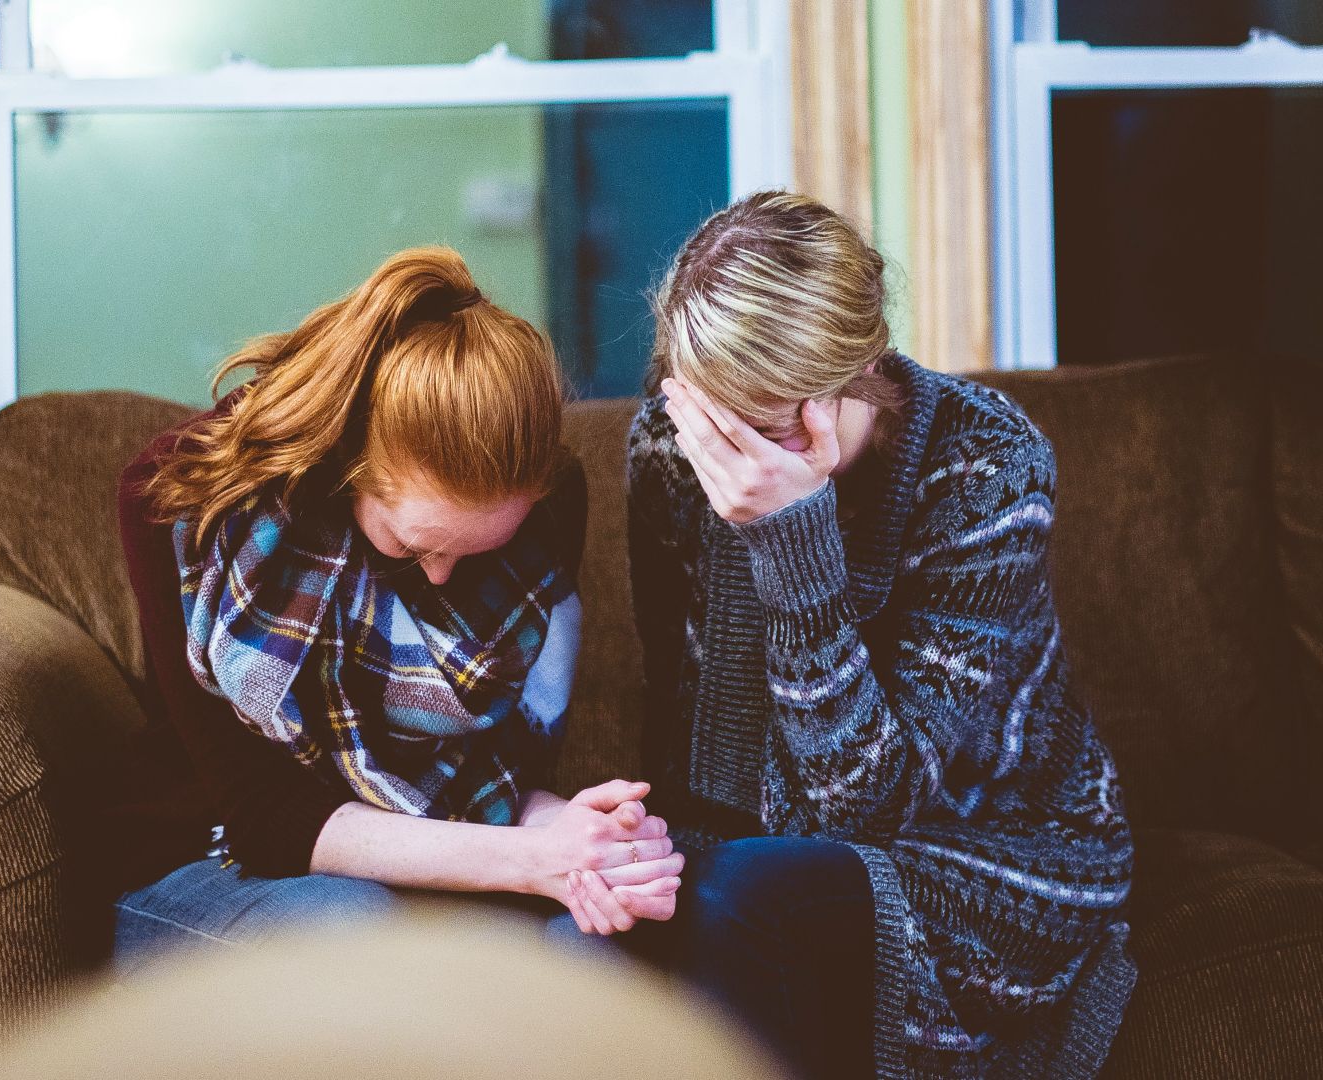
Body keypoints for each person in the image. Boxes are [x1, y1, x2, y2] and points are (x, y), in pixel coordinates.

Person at [623, 192, 1137, 1079]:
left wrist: (794, 541)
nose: (726, 451)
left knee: (739, 897)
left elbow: (867, 810)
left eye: (764, 420)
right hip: (754, 845)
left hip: (987, 846)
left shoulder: (987, 466)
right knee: (615, 916)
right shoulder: (672, 449)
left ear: (853, 374)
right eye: (709, 413)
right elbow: (683, 711)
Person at [108, 248, 683, 970]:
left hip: (438, 851)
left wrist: (586, 838)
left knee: (601, 943)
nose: (442, 580)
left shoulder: (547, 505)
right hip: (211, 861)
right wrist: (530, 860)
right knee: (354, 928)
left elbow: (497, 778)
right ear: (349, 463)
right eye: (412, 547)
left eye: (473, 554)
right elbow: (264, 819)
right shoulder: (183, 501)